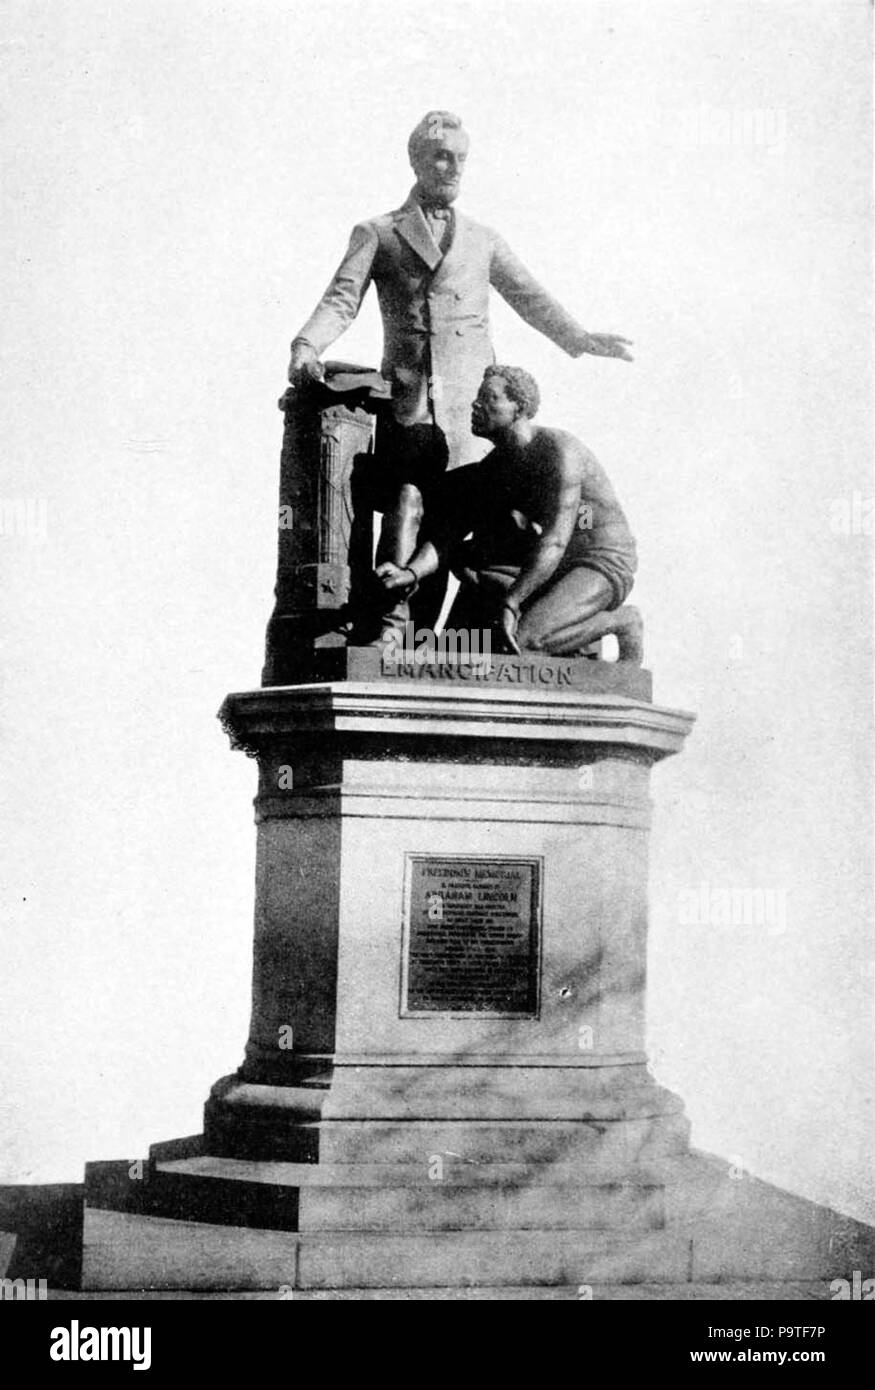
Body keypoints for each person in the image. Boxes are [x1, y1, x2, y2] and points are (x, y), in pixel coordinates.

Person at [287, 110, 632, 638]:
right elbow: (342, 299)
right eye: (441, 157)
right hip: (413, 406)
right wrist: (307, 345)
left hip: (472, 411)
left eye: (460, 159)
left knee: (465, 523)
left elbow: (529, 296)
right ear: (417, 161)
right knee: (410, 501)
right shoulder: (379, 232)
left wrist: (577, 338)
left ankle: (457, 631)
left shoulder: (482, 238)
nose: (451, 168)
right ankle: (392, 624)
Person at [375, 365, 643, 662]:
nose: (476, 404)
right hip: (559, 563)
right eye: (477, 396)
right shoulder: (495, 468)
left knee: (523, 643)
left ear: (520, 408)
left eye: (490, 397)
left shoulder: (558, 451)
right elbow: (449, 535)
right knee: (473, 575)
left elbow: (555, 540)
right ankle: (563, 625)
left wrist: (511, 603)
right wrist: (410, 572)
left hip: (601, 560)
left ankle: (620, 621)